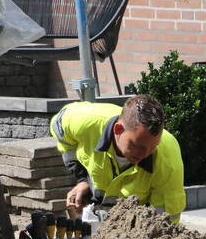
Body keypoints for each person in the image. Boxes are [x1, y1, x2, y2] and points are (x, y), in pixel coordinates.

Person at [50, 95, 186, 223]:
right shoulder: (83, 121)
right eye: (137, 145)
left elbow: (165, 222)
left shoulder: (168, 159)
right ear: (118, 129)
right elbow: (59, 130)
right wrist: (83, 180)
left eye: (153, 147)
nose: (145, 154)